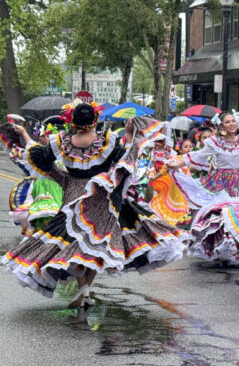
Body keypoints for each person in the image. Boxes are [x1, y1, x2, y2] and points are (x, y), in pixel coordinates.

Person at [0, 102, 186, 307]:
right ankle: (85, 290)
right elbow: (125, 158)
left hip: (74, 198)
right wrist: (130, 135)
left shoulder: (61, 142)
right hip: (102, 198)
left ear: (71, 121)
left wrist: (25, 135)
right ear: (95, 121)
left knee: (77, 247)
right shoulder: (108, 140)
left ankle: (84, 291)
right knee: (95, 247)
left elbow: (40, 158)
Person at [168, 111, 239, 265]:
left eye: (233, 121)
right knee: (224, 216)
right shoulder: (215, 142)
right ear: (221, 125)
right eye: (228, 122)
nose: (232, 124)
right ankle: (226, 251)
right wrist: (178, 164)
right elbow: (198, 155)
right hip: (221, 182)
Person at [147, 138, 193, 226]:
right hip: (175, 186)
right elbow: (165, 169)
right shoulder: (175, 158)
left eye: (190, 147)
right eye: (186, 147)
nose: (188, 149)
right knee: (173, 203)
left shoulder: (194, 159)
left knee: (181, 205)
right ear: (180, 149)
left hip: (185, 187)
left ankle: (181, 219)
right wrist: (155, 176)